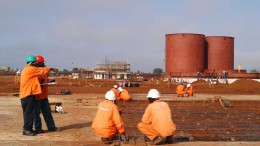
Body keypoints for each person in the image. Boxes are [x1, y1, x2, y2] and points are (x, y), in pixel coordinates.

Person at [19, 55, 47, 136]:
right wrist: (51, 69)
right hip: (27, 95)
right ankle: (27, 129)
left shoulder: (28, 69)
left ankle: (29, 129)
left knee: (29, 113)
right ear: (31, 63)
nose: (36, 65)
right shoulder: (30, 69)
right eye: (35, 63)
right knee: (28, 113)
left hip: (28, 94)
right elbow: (42, 70)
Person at [34, 55, 60, 134]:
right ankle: (38, 129)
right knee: (36, 114)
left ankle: (51, 127)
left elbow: (44, 78)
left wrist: (50, 80)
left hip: (44, 96)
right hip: (37, 96)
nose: (43, 64)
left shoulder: (43, 71)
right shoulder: (35, 71)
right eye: (41, 63)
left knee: (47, 112)